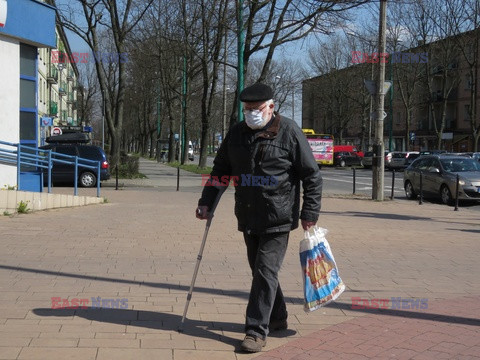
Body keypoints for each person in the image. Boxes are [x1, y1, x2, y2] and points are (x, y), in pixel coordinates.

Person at [195, 82, 322, 353]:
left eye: (257, 109)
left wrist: (309, 212)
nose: (252, 113)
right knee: (260, 271)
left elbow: (312, 175)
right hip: (248, 215)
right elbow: (220, 170)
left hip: (279, 216)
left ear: (271, 107)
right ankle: (277, 317)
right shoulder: (237, 134)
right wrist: (206, 203)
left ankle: (255, 330)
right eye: (247, 109)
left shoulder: (289, 132)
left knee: (265, 271)